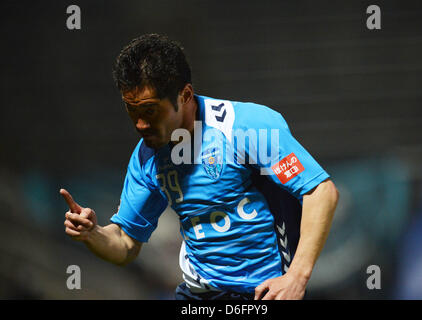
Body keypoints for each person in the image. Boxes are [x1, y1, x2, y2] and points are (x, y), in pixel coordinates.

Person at [61, 33, 339, 300]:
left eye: (150, 111)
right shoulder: (147, 157)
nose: (140, 124)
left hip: (264, 292)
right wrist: (92, 234)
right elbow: (125, 243)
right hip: (197, 295)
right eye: (131, 111)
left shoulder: (248, 127)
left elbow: (320, 192)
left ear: (184, 95)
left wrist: (297, 278)